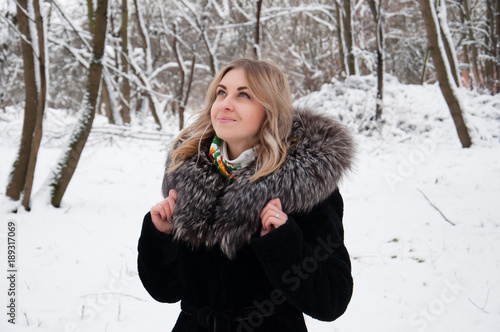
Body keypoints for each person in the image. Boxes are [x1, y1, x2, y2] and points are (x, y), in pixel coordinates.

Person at [137, 58, 355, 332]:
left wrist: (283, 243)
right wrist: (160, 236)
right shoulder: (187, 174)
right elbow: (165, 291)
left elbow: (331, 300)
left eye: (244, 94)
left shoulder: (304, 187)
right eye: (221, 92)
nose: (226, 103)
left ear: (270, 109)